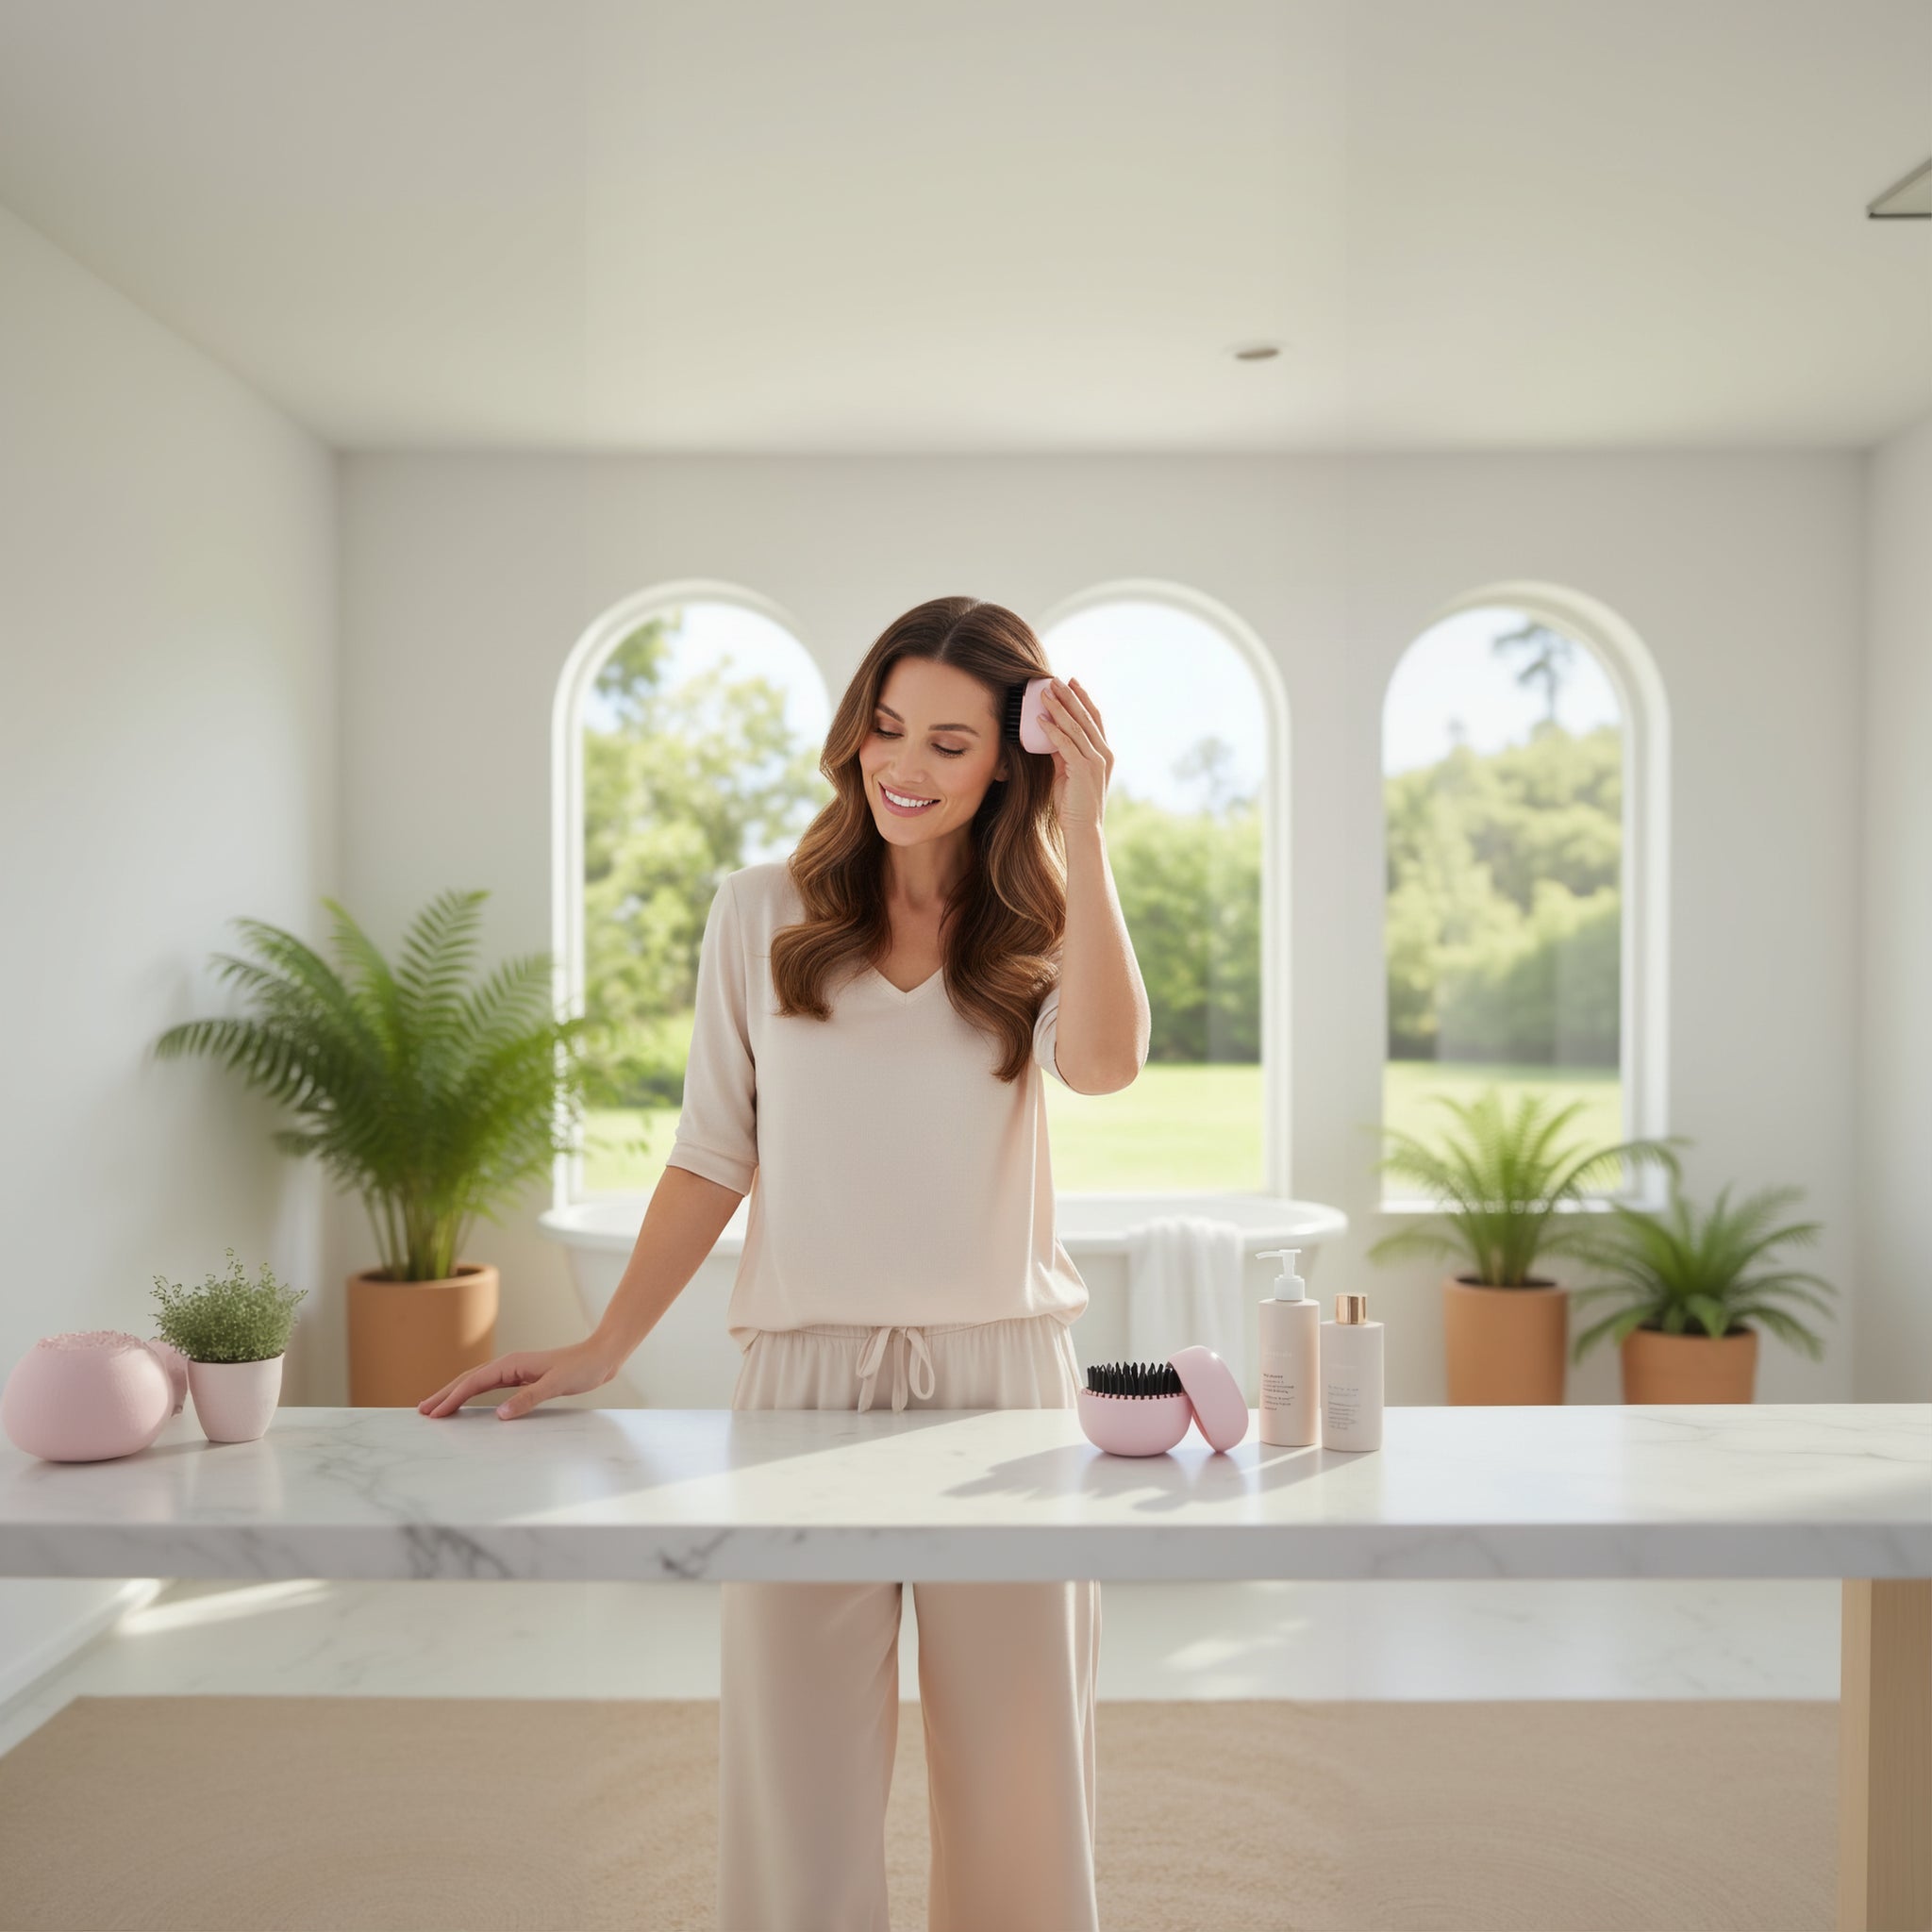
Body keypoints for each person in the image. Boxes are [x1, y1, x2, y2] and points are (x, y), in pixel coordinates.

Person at [419, 595, 1150, 1931]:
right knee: (795, 1781)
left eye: (946, 741)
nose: (904, 767)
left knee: (1022, 1775)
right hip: (805, 1380)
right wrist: (602, 1347)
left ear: (1007, 763)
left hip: (1006, 1384)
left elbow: (1105, 1064)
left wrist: (1086, 834)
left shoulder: (1040, 919)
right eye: (885, 727)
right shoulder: (761, 912)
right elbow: (712, 1155)